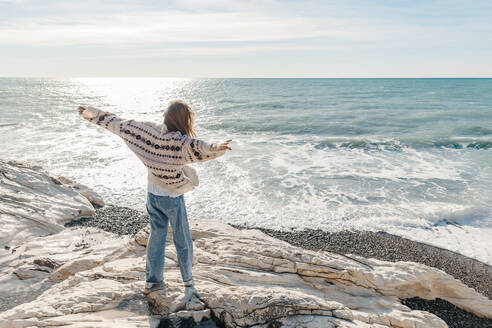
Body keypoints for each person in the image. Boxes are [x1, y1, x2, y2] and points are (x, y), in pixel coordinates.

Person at [77, 100, 232, 300]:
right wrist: (217, 147)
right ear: (185, 120)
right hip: (172, 198)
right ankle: (188, 281)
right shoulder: (179, 142)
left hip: (153, 196)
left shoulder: (146, 130)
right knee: (182, 239)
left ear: (164, 116)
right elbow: (200, 147)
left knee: (156, 238)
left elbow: (118, 124)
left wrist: (90, 113)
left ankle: (152, 281)